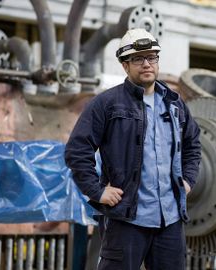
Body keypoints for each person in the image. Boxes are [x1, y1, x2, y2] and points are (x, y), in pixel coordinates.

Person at [65, 28, 201, 270]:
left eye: (152, 57)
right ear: (124, 65)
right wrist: (96, 191)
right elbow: (77, 150)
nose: (147, 64)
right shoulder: (106, 104)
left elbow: (193, 144)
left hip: (169, 221)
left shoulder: (174, 103)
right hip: (126, 219)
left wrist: (187, 180)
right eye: (138, 58)